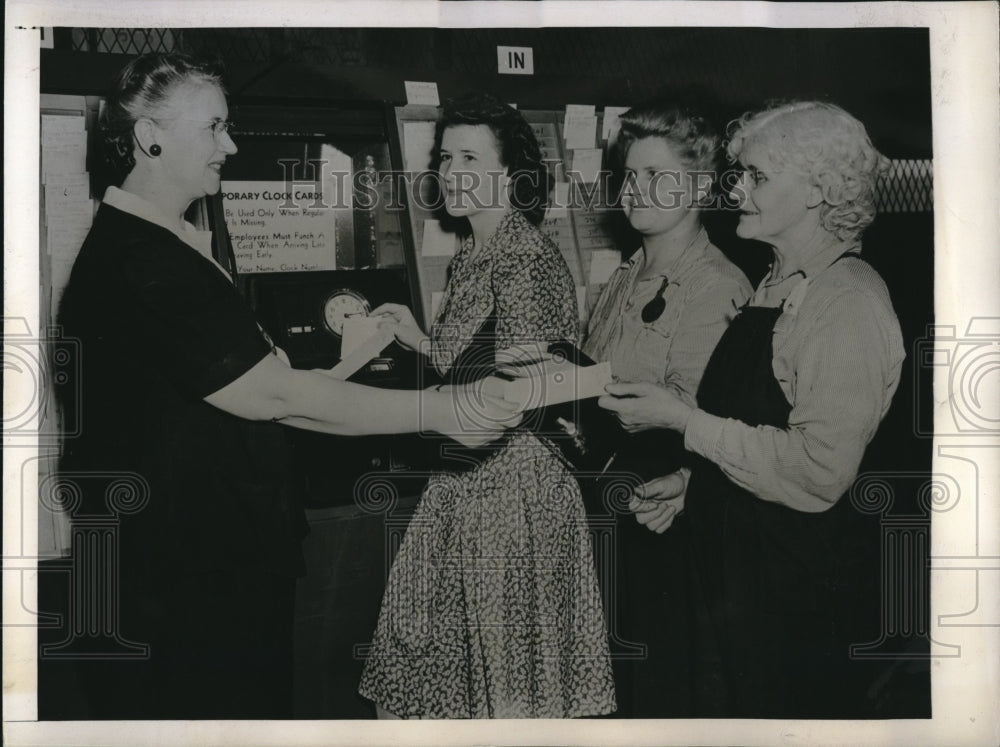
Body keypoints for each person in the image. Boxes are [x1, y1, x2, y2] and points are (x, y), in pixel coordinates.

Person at [56, 53, 519, 720]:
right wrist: (444, 407)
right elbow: (272, 395)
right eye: (214, 127)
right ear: (149, 135)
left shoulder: (161, 244)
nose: (231, 144)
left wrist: (340, 368)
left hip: (196, 569)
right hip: (188, 587)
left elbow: (241, 395)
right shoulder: (145, 259)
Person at [599, 101, 904, 717]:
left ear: (818, 191)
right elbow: (756, 431)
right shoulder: (774, 283)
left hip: (794, 596)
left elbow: (818, 473)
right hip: (734, 581)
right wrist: (692, 485)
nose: (737, 188)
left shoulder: (847, 301)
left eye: (757, 176)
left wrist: (685, 423)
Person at [357, 93, 616, 718]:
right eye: (446, 157)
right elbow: (478, 362)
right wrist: (417, 337)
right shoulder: (479, 250)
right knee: (431, 678)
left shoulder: (523, 258)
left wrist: (408, 398)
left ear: (513, 176)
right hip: (469, 482)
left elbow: (523, 395)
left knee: (499, 691)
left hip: (512, 492)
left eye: (470, 157)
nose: (450, 173)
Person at [581, 103, 751, 717]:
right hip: (606, 499)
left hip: (663, 511)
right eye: (629, 175)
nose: (635, 191)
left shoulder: (715, 284)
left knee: (655, 692)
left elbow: (699, 413)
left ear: (701, 186)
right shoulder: (629, 272)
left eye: (657, 177)